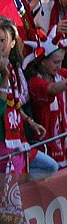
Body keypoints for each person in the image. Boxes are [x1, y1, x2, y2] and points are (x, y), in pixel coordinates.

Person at [0, 18, 47, 173]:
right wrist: (5, 77)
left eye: (2, 40)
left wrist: (30, 121)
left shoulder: (10, 67)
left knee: (49, 167)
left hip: (14, 139)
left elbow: (12, 105)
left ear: (13, 43)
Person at [25, 33, 67, 168]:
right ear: (43, 61)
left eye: (61, 61)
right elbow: (53, 89)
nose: (59, 66)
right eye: (55, 62)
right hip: (46, 142)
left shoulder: (59, 74)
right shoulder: (35, 82)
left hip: (62, 137)